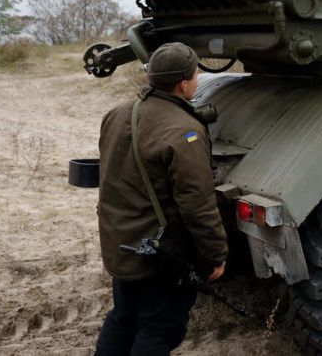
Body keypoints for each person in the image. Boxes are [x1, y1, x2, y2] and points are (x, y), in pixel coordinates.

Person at [95, 42, 227, 355]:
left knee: (123, 317)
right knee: (159, 327)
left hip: (121, 242)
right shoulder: (184, 131)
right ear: (184, 83)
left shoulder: (116, 113)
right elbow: (198, 205)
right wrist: (215, 255)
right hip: (160, 253)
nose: (197, 79)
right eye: (195, 73)